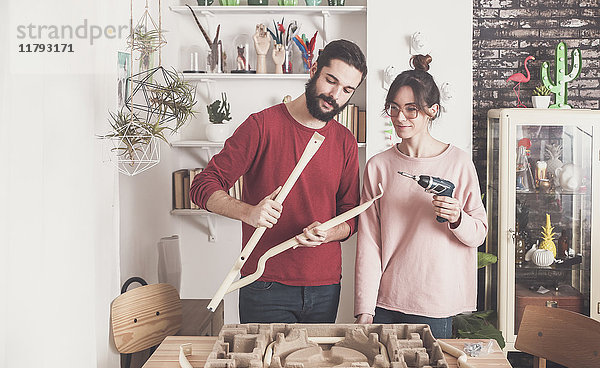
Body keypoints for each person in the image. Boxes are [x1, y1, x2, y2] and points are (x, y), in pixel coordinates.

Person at [190, 39, 367, 324]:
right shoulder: (261, 126)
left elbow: (351, 217)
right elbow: (202, 186)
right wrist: (249, 212)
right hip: (264, 283)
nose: (335, 95)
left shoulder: (345, 141)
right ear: (313, 70)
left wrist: (329, 232)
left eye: (347, 90)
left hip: (325, 286)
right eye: (330, 80)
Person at [354, 54, 487, 339]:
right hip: (385, 303)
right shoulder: (378, 166)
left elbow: (478, 234)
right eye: (394, 108)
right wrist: (364, 308)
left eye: (411, 109)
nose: (400, 117)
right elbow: (368, 241)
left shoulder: (458, 163)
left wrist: (457, 218)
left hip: (435, 305)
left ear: (432, 111)